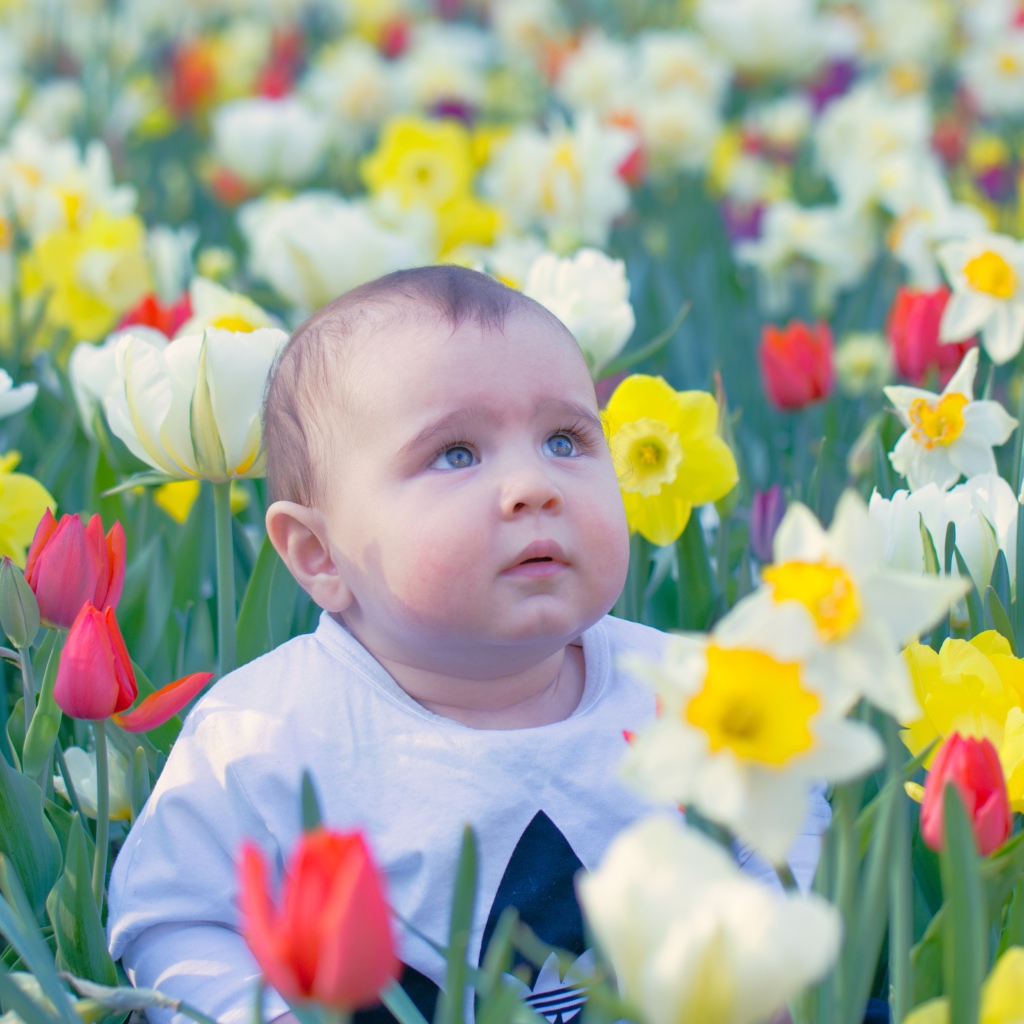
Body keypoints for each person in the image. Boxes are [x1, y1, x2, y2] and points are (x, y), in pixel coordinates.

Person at [107, 266, 828, 1024]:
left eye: (565, 439)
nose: (533, 485)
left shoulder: (688, 689)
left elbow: (785, 828)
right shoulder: (263, 735)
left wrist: (768, 972)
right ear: (319, 555)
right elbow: (171, 922)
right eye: (456, 453)